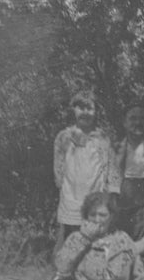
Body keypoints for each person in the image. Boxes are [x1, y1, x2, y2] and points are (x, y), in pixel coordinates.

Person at [51, 90, 120, 259]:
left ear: (96, 112)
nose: (85, 112)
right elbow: (58, 166)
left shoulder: (102, 138)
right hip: (71, 194)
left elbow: (111, 165)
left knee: (94, 232)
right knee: (71, 235)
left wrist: (113, 190)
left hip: (94, 193)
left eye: (89, 108)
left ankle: (92, 270)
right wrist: (62, 186)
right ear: (73, 110)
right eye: (80, 108)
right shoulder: (64, 137)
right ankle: (66, 270)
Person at [114, 102, 144, 240]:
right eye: (133, 118)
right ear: (124, 122)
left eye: (142, 118)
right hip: (120, 210)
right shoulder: (114, 147)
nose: (138, 122)